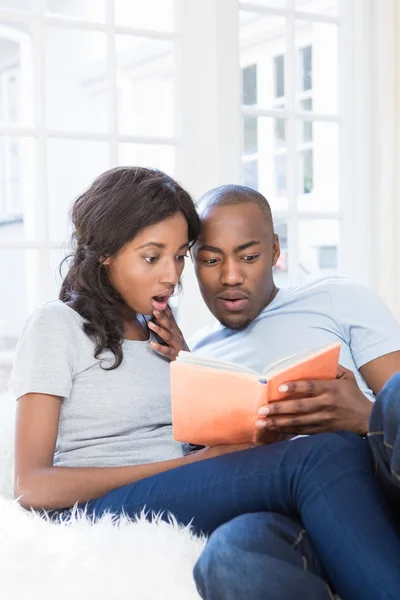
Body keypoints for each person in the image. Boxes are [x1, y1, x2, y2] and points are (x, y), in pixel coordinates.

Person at [9, 169, 400, 600]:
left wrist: (200, 377)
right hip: (97, 508)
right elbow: (32, 485)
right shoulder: (57, 325)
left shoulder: (161, 334)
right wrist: (193, 465)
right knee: (321, 455)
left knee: (323, 459)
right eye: (152, 256)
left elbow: (187, 438)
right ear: (106, 253)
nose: (171, 276)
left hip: (179, 491)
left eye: (178, 257)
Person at [181, 184, 400, 599]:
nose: (230, 276)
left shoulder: (337, 298)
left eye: (248, 257)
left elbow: (395, 406)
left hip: (379, 481)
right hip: (287, 515)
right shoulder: (198, 353)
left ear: (276, 251)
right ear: (193, 262)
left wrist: (360, 415)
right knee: (229, 553)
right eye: (211, 260)